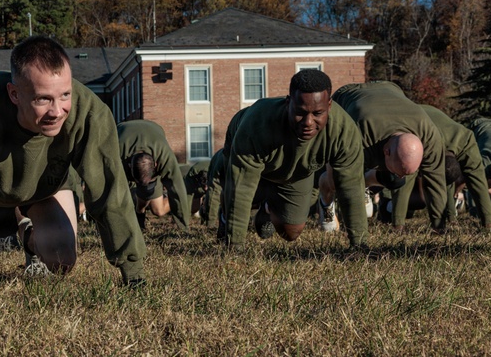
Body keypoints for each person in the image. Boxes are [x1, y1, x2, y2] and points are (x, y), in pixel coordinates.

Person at [0, 35, 146, 291]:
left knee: (62, 259)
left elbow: (110, 190)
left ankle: (28, 235)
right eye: (43, 99)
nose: (57, 111)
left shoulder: (89, 114)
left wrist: (133, 270)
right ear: (14, 94)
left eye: (65, 95)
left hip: (43, 192)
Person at [221, 69, 367, 249]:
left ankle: (268, 208)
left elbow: (351, 187)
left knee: (291, 232)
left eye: (317, 113)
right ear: (288, 102)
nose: (308, 122)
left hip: (295, 172)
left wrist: (359, 245)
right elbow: (240, 187)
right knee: (237, 193)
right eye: (300, 112)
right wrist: (235, 247)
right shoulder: (257, 124)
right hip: (251, 155)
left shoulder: (343, 131)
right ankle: (225, 222)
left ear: (329, 106)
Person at [326, 82, 447, 232]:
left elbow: (436, 183)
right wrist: (353, 232)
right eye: (396, 170)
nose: (400, 176)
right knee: (333, 182)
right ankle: (325, 203)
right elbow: (346, 182)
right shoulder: (360, 136)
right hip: (346, 96)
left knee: (394, 180)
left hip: (389, 87)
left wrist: (439, 228)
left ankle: (367, 185)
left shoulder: (429, 135)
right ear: (386, 151)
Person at [413, 105, 491, 228]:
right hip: (414, 113)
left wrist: (489, 223)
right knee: (416, 201)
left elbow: (479, 184)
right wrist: (438, 227)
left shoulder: (466, 139)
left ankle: (450, 215)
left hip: (434, 118)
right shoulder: (421, 142)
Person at [117, 119, 190, 231]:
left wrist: (184, 227)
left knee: (157, 210)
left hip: (154, 128)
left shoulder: (165, 156)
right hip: (122, 130)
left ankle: (139, 211)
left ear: (156, 165)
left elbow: (177, 191)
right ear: (129, 166)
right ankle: (137, 217)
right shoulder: (116, 151)